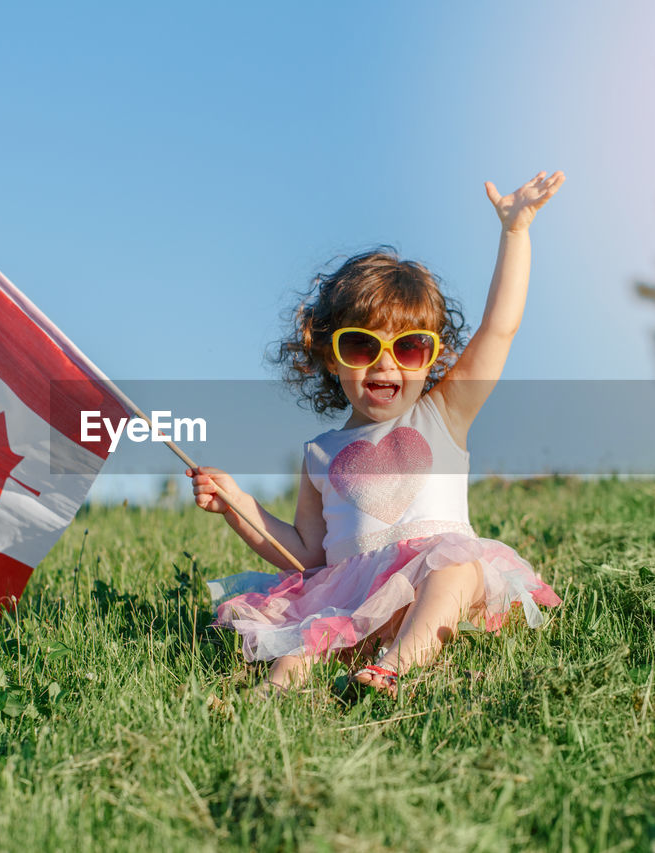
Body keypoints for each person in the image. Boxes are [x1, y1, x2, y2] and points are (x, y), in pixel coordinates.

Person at [187, 171, 565, 698]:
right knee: (301, 641)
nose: (385, 364)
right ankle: (270, 702)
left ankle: (392, 669)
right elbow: (305, 554)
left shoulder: (443, 415)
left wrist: (515, 231)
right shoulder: (322, 453)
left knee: (454, 567)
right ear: (329, 357)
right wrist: (236, 504)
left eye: (409, 348)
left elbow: (499, 328)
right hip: (354, 598)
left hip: (437, 594)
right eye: (362, 347)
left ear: (432, 356)